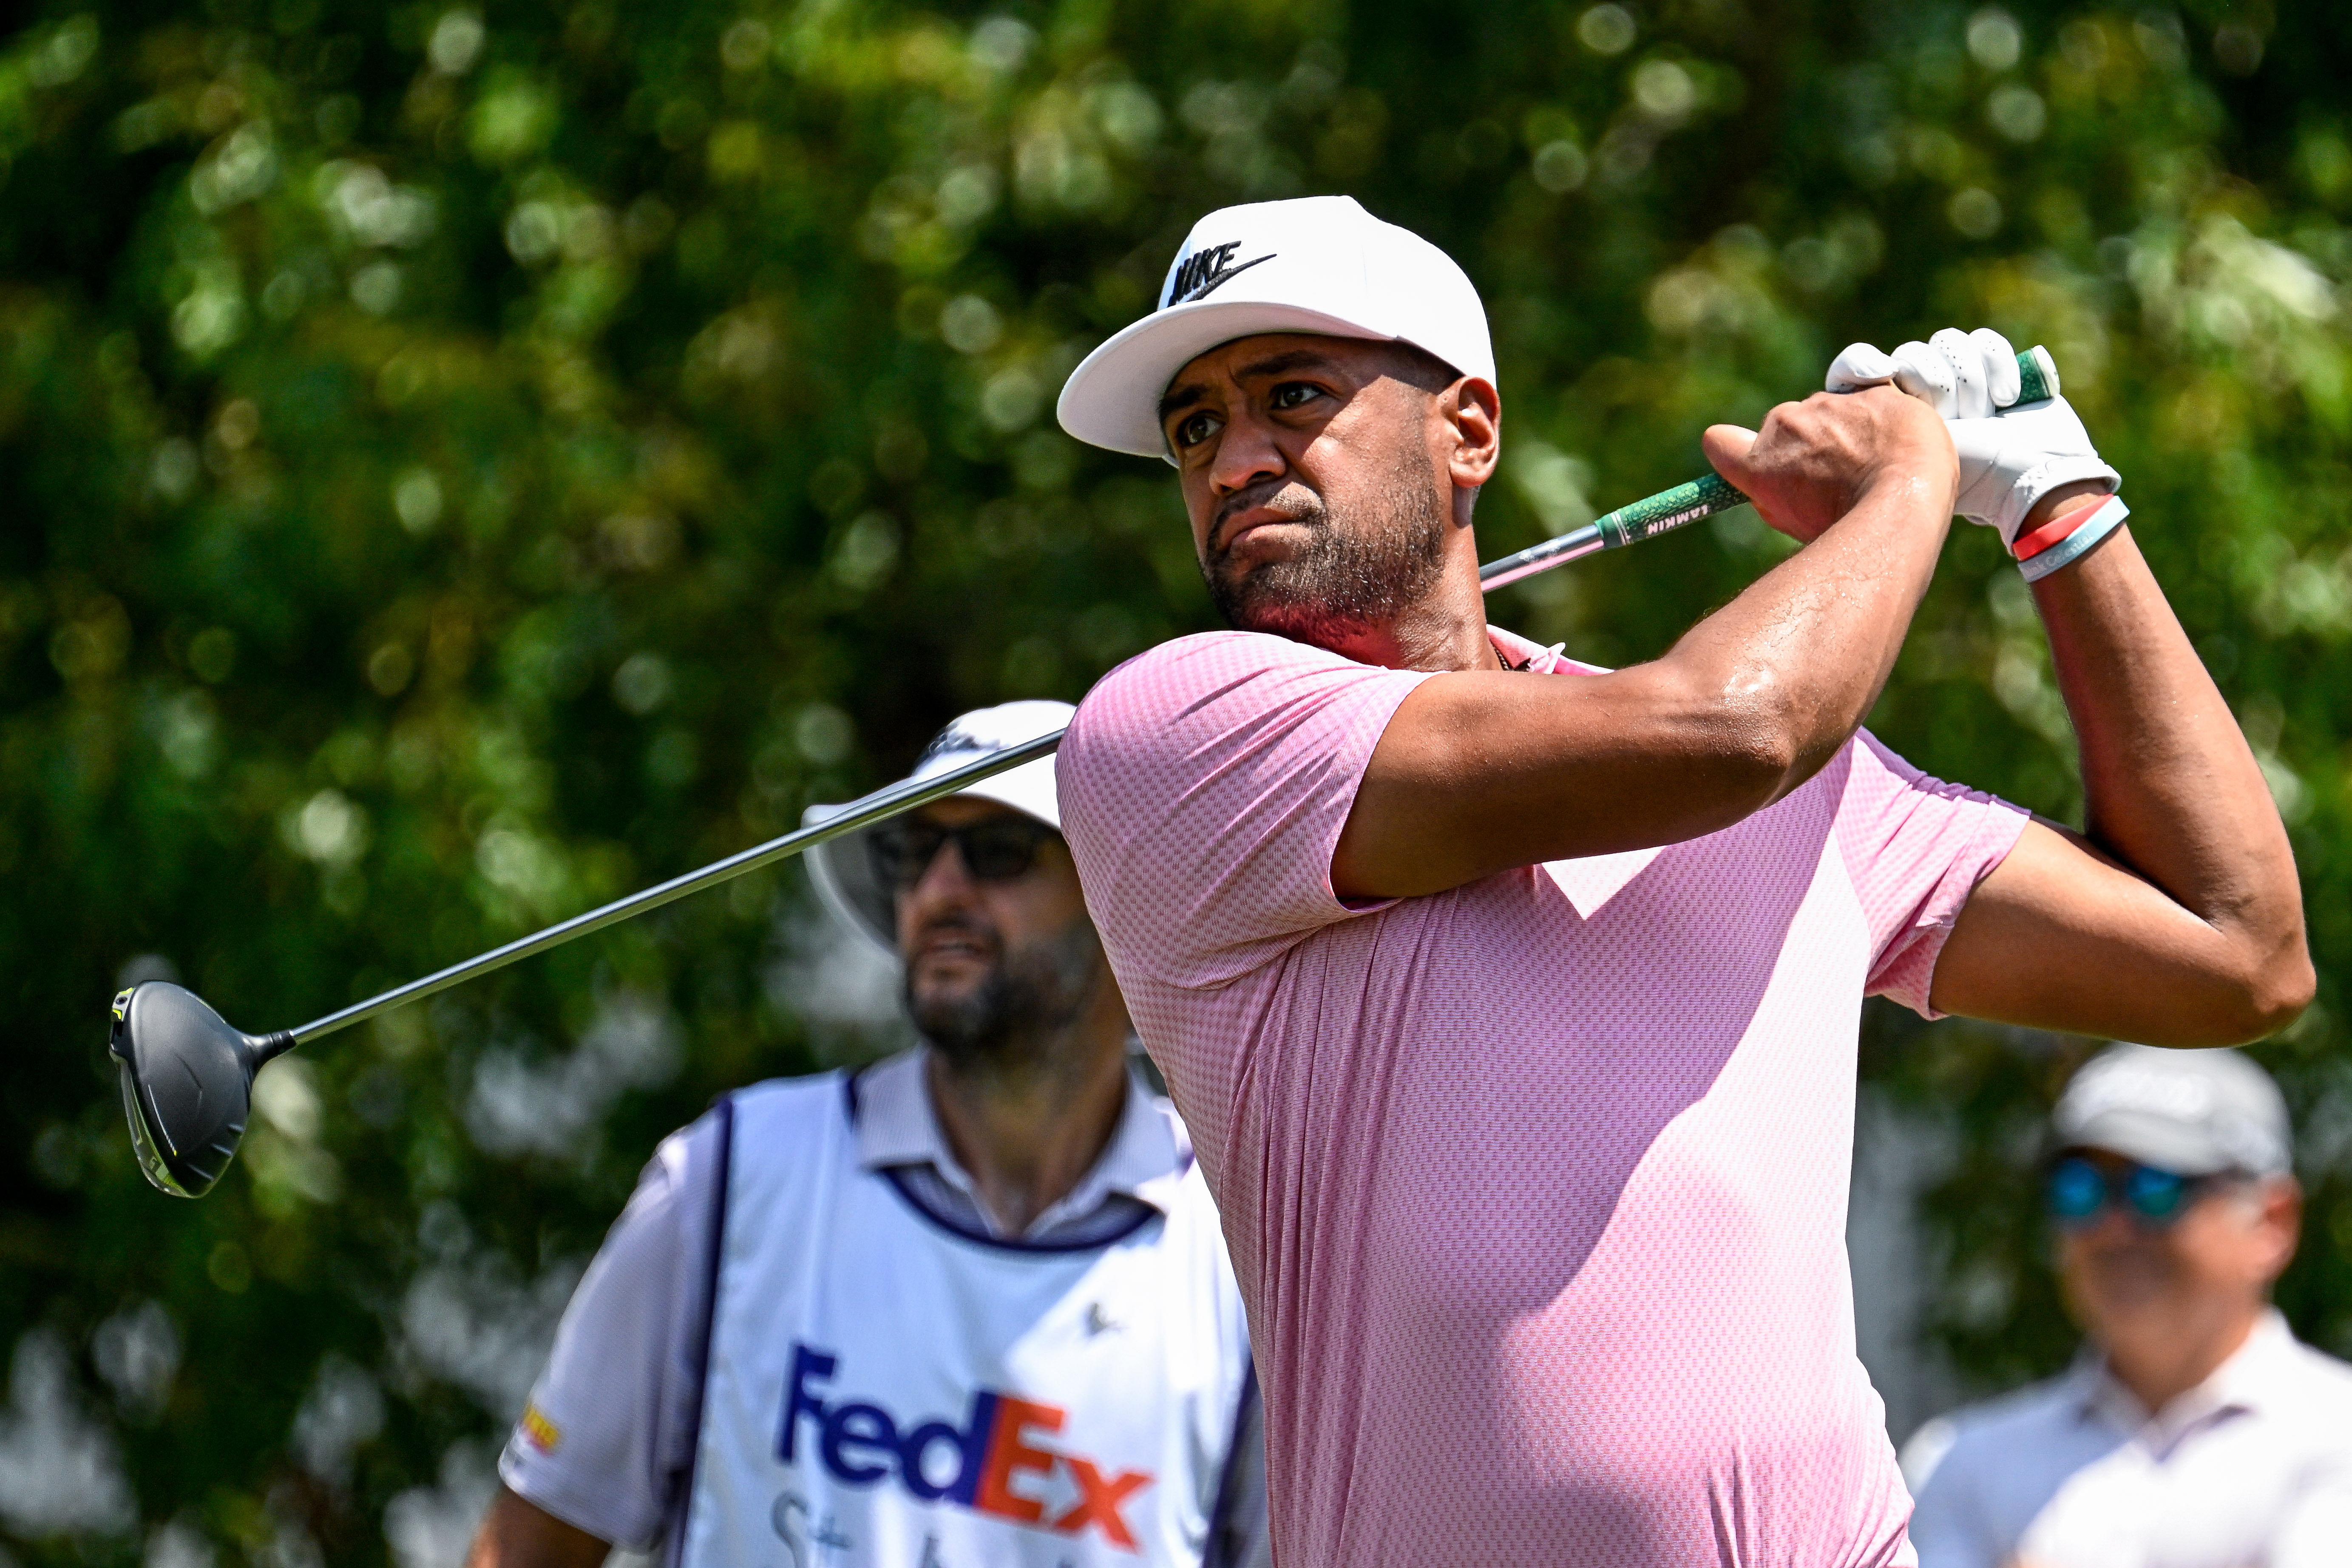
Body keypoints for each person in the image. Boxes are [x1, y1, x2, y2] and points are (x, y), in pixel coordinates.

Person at [1047, 194, 2312, 1565]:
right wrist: (1911, 477)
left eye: (1290, 394)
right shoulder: (1172, 733)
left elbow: (2237, 951)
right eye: (1194, 429)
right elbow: (1734, 728)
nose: (1235, 458)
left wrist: (2058, 505)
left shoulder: (1810, 784)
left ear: (1466, 429)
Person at [464, 702, 1267, 1568]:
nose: (940, 887)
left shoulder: (1247, 1257)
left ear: (1127, 900)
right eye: (913, 852)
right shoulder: (733, 1171)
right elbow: (526, 1543)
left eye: (998, 850)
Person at [1904, 1043, 2352, 1567]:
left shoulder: (2337, 1434)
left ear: (2271, 1222)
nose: (2112, 1227)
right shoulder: (1956, 1461)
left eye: (2156, 1188)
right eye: (2079, 1189)